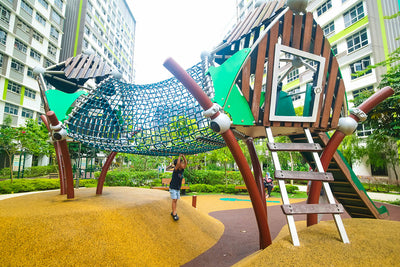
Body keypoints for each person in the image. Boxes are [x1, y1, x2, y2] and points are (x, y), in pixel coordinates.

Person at [169, 154, 187, 221]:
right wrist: (179, 156)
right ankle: (174, 213)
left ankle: (173, 211)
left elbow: (186, 163)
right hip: (173, 187)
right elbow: (178, 164)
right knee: (174, 200)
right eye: (181, 163)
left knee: (176, 200)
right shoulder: (176, 170)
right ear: (178, 165)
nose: (182, 164)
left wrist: (183, 156)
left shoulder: (182, 170)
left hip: (177, 188)